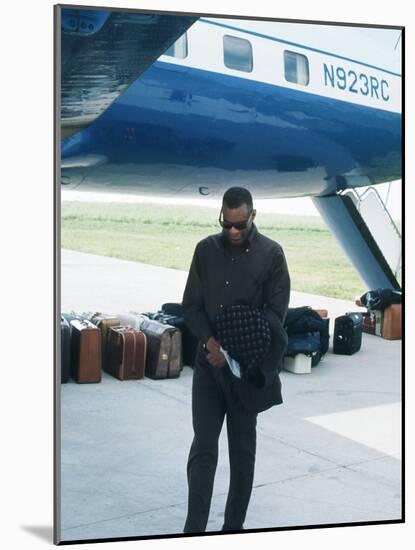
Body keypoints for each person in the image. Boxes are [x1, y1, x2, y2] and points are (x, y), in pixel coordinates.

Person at [182, 186, 290, 533]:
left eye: (239, 225)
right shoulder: (205, 250)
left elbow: (276, 317)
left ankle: (233, 529)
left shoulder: (272, 255)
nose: (231, 231)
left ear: (252, 216)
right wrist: (211, 344)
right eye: (226, 224)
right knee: (203, 449)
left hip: (244, 372)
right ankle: (193, 530)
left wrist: (233, 350)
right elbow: (191, 306)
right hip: (208, 369)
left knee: (242, 456)